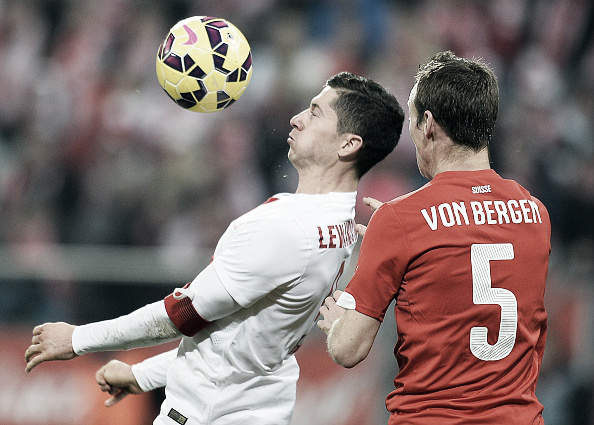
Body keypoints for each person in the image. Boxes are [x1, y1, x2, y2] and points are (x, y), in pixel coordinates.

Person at [24, 71, 405, 425]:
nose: (297, 118)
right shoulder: (338, 226)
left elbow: (184, 315)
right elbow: (239, 340)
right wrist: (143, 374)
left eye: (316, 112)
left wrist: (77, 339)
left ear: (349, 144)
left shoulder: (288, 228)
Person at [318, 51, 551, 425]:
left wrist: (335, 326)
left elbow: (349, 349)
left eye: (411, 120)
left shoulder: (399, 220)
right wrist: (403, 232)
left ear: (428, 123)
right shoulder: (536, 214)